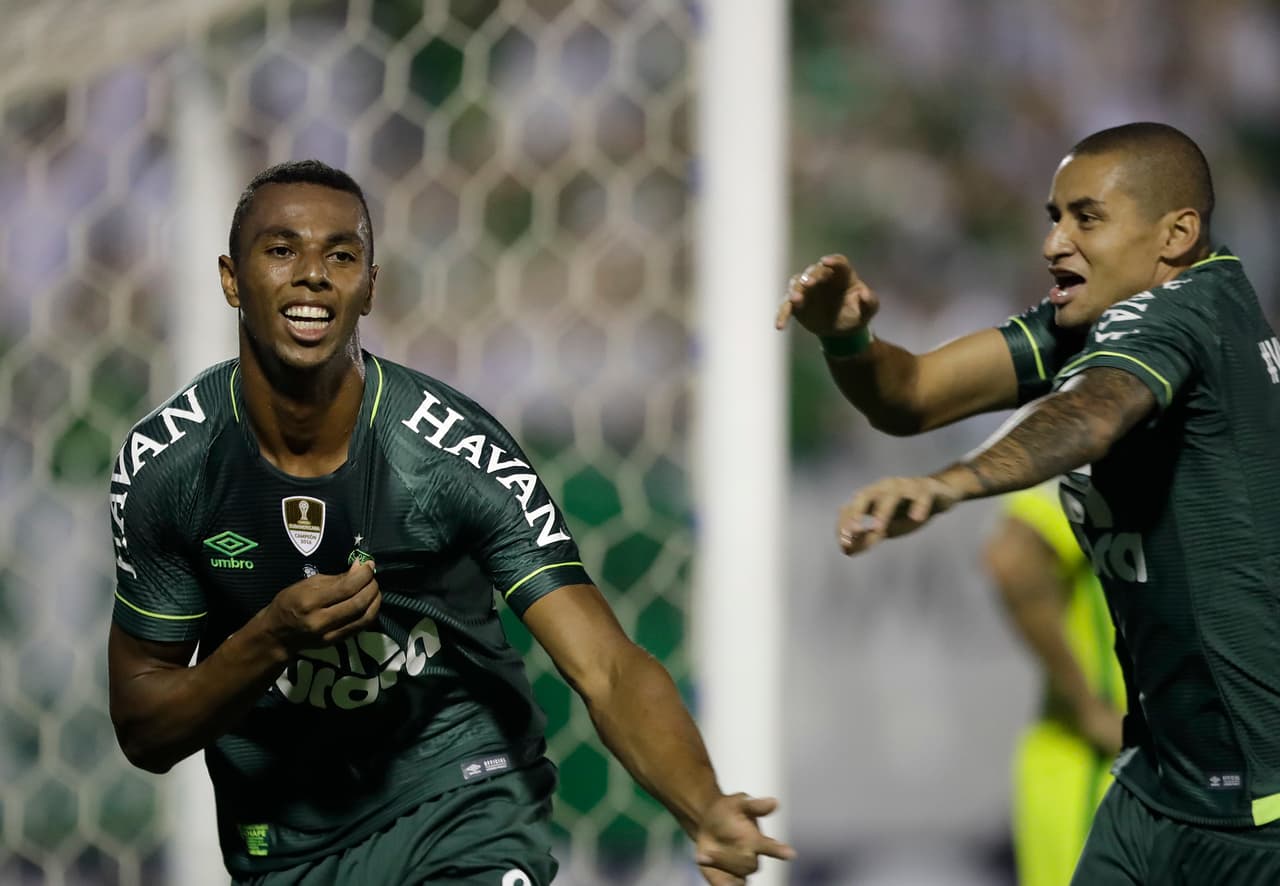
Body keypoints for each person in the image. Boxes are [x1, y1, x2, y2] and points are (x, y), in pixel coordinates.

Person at [107, 159, 794, 886]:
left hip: (465, 799)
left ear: (370, 284)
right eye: (281, 250)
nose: (312, 274)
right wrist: (270, 640)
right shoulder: (169, 466)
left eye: (341, 255)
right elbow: (145, 728)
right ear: (231, 279)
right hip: (289, 843)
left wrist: (703, 806)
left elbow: (606, 666)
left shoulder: (450, 454)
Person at [778, 121, 1280, 883]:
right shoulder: (1103, 321)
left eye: (1087, 217)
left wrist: (952, 483)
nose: (1054, 244)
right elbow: (912, 396)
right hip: (1158, 784)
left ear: (1176, 233)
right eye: (1054, 217)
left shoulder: (1185, 313)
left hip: (1255, 802)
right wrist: (849, 342)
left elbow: (1095, 412)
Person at [983, 483, 1125, 886]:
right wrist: (1090, 709)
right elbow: (1012, 557)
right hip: (1104, 773)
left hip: (1214, 779)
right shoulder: (1092, 441)